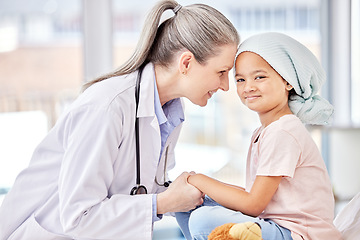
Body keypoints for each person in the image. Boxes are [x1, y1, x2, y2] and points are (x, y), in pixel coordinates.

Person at [0, 1, 239, 239]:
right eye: (221, 72)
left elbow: (139, 186)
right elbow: (78, 217)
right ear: (186, 63)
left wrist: (197, 194)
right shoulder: (107, 107)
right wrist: (164, 202)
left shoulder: (169, 111)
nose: (226, 86)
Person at [175, 32, 343, 240]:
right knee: (185, 204)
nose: (249, 87)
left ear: (287, 81)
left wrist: (198, 179)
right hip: (272, 224)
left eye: (259, 77)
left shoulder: (283, 131)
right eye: (240, 79)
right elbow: (252, 195)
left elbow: (253, 204)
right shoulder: (266, 131)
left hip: (298, 234)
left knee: (203, 220)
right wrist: (198, 186)